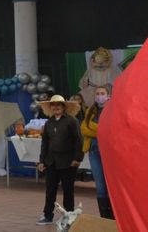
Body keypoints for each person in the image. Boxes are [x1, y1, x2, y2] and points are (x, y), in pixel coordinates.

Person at [36, 95, 83, 225]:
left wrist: (77, 158)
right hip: (51, 162)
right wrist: (41, 161)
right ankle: (47, 215)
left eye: (58, 105)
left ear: (64, 107)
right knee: (50, 189)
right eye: (53, 105)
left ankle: (69, 217)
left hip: (68, 161)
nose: (56, 107)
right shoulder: (49, 123)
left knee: (68, 190)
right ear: (50, 108)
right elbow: (44, 143)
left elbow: (79, 141)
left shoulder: (72, 121)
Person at [80, 86, 114, 219]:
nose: (100, 96)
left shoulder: (113, 109)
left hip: (109, 151)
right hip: (94, 151)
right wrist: (100, 130)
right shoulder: (90, 110)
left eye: (102, 93)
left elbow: (111, 129)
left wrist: (96, 129)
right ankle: (104, 217)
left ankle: (114, 216)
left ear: (108, 95)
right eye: (98, 94)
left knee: (110, 183)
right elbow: (84, 129)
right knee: (100, 185)